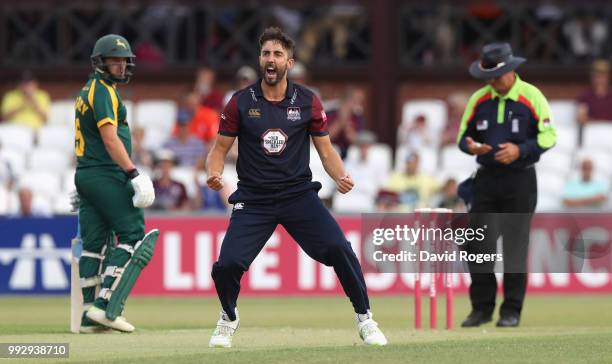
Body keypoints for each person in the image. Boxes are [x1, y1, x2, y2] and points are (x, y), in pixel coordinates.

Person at [205, 27, 387, 348]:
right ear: (260, 60)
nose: (270, 60)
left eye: (277, 54)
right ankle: (228, 317)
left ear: (289, 62)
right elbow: (218, 149)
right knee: (228, 265)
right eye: (265, 54)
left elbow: (326, 151)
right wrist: (214, 173)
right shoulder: (240, 102)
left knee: (339, 249)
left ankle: (365, 318)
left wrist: (340, 175)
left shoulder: (307, 101)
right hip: (254, 198)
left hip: (297, 195)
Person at [457, 42, 557, 328]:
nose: (492, 82)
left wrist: (520, 150)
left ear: (511, 71)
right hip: (486, 179)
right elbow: (463, 136)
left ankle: (511, 311)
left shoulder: (531, 96)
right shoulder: (479, 99)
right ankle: (482, 308)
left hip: (520, 179)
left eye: (496, 76)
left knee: (515, 247)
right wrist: (472, 147)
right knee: (478, 245)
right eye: (487, 76)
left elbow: (549, 136)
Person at [73, 34, 158, 333]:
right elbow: (109, 138)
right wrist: (134, 173)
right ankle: (104, 306)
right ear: (100, 62)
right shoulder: (103, 91)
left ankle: (87, 315)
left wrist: (87, 180)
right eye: (115, 60)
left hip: (89, 173)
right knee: (133, 233)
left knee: (94, 244)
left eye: (124, 60)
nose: (121, 65)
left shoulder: (89, 90)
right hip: (106, 172)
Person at [576, 59, 612, 125]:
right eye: (597, 76)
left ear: (608, 77)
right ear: (592, 77)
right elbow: (581, 118)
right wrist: (599, 124)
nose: (600, 79)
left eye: (603, 76)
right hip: (592, 133)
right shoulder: (585, 96)